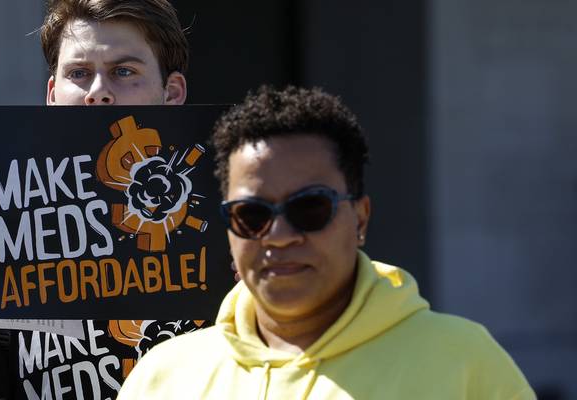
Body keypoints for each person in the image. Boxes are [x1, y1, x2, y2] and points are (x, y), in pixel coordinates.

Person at [117, 86, 533, 398]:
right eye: (252, 214)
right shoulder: (163, 378)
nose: (278, 236)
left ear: (361, 218)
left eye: (310, 208)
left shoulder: (464, 363)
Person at [0, 1, 198, 399]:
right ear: (53, 94)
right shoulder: (3, 233)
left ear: (172, 93)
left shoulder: (242, 229)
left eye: (124, 72)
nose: (98, 93)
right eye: (79, 73)